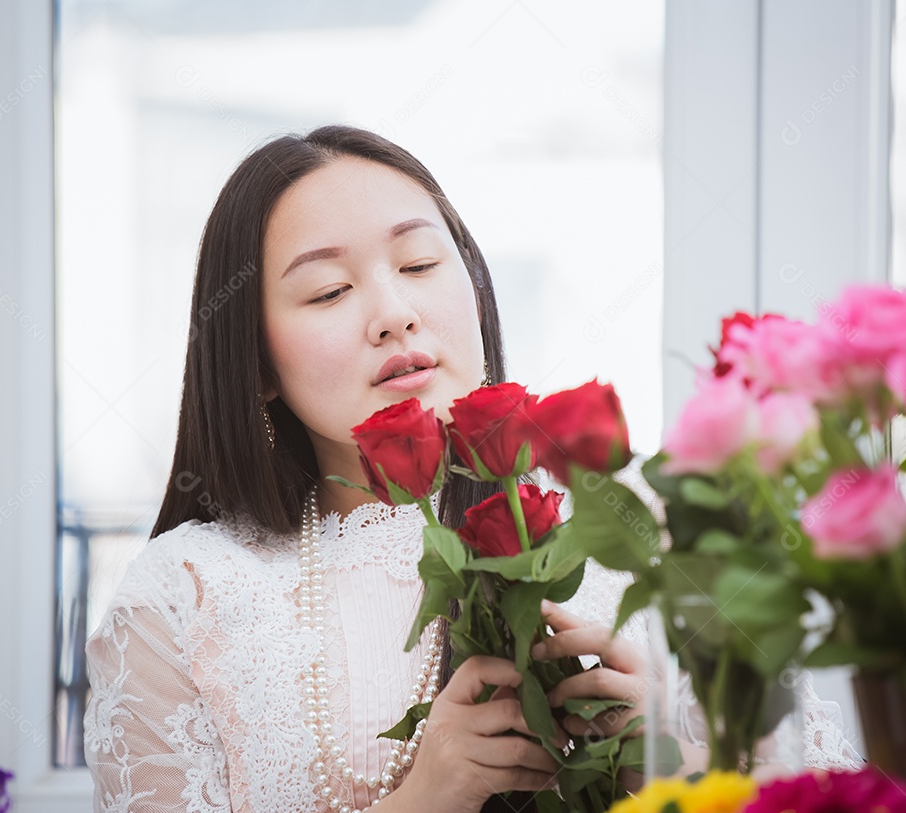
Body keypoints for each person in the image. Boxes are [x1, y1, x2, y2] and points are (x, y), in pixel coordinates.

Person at [83, 125, 861, 813]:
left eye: (420, 262)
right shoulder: (180, 597)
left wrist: (673, 772)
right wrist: (425, 799)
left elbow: (836, 797)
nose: (393, 311)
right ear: (253, 362)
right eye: (329, 290)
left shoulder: (644, 531)